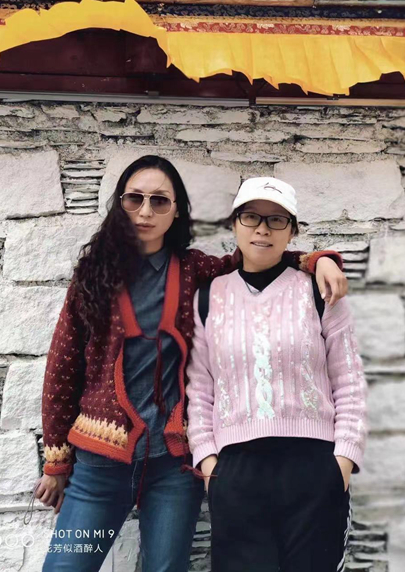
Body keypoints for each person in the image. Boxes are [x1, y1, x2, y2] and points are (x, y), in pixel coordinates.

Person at [36, 156, 347, 572]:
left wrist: (319, 259)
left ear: (177, 210)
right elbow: (62, 366)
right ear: (120, 204)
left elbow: (257, 257)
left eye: (160, 201)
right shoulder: (92, 275)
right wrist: (56, 463)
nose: (146, 211)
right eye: (134, 199)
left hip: (172, 467)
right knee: (65, 566)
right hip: (99, 465)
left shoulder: (194, 269)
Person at [186, 176, 367, 572]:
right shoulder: (208, 298)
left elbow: (349, 381)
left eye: (277, 219)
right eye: (251, 217)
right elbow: (199, 391)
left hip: (313, 467)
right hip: (236, 473)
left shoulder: (319, 292)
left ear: (292, 231)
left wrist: (342, 464)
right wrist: (210, 467)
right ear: (234, 224)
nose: (263, 229)